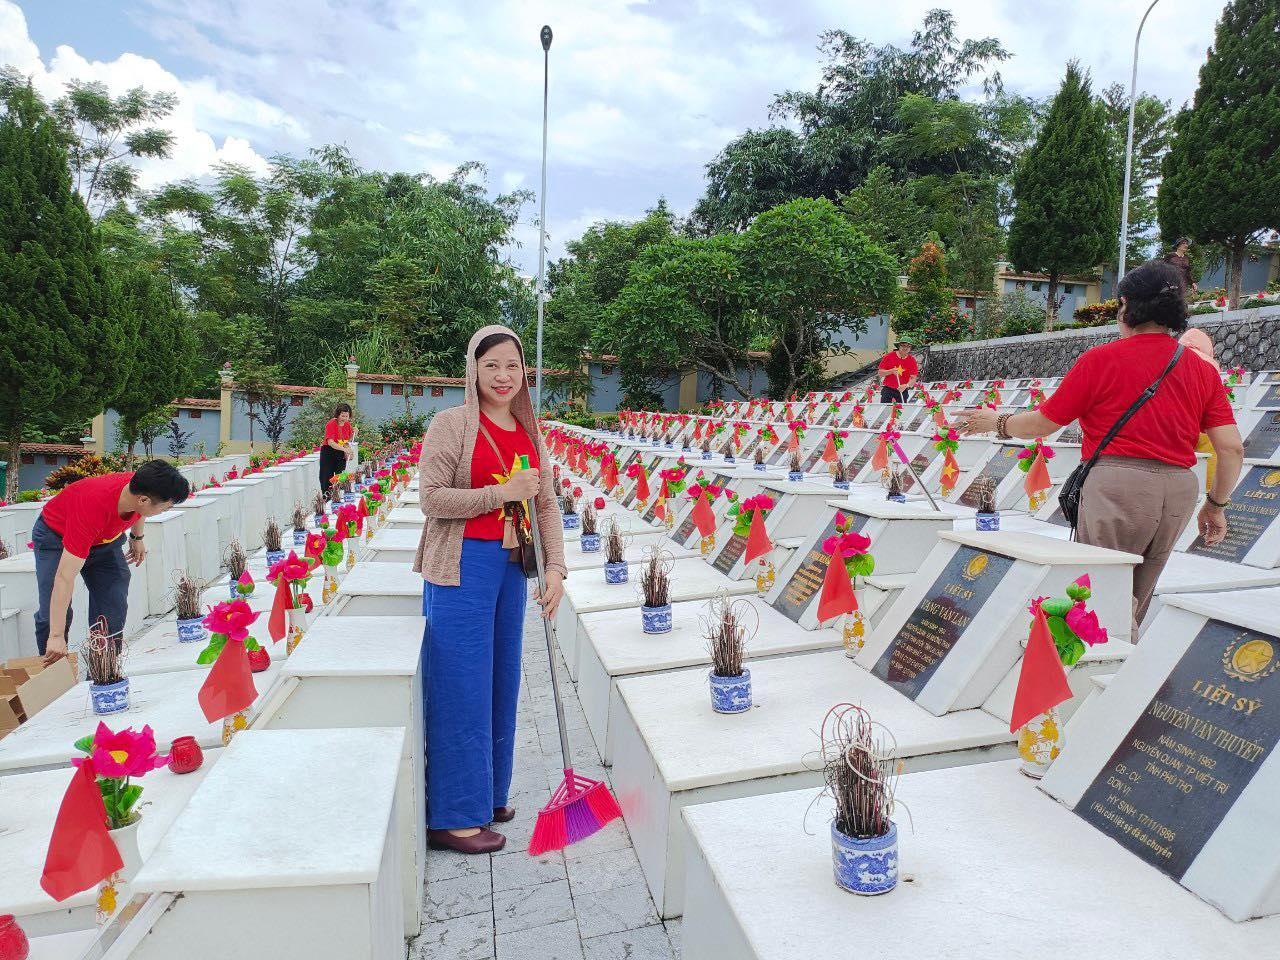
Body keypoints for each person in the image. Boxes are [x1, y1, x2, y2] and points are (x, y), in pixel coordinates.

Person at [955, 260, 1244, 628]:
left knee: (1101, 594)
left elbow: (1045, 422)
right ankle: (1122, 663)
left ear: (1126, 305)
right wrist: (1216, 505)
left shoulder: (1101, 360)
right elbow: (1231, 448)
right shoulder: (1202, 369)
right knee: (1138, 593)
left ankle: (1101, 671)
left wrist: (997, 422)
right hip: (1179, 489)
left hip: (1117, 488)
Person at [414, 324, 566, 855]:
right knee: (463, 686)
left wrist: (556, 570)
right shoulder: (451, 424)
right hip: (460, 568)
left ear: (525, 373)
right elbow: (432, 499)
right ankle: (454, 816)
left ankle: (490, 795)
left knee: (503, 681)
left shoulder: (529, 431)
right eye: (491, 366)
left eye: (512, 366)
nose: (503, 376)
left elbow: (544, 504)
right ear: (473, 371)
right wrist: (499, 493)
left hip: (509, 566)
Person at [35, 460, 191, 662]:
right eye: (164, 508)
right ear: (143, 500)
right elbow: (64, 577)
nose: (164, 512)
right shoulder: (92, 508)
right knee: (52, 615)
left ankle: (103, 673)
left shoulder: (140, 485)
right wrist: (55, 636)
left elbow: (140, 511)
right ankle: (53, 676)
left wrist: (137, 537)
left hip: (104, 539)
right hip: (56, 536)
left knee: (113, 599)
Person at [1179, 328, 1223, 493]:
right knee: (1208, 467)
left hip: (1176, 427)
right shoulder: (1209, 364)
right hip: (1203, 427)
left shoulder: (1171, 359)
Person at [318, 402, 356, 496]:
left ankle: (339, 496)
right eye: (342, 416)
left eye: (347, 416)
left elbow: (347, 440)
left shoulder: (347, 425)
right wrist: (345, 450)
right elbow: (330, 442)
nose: (345, 418)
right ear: (338, 414)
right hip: (328, 452)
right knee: (327, 477)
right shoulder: (331, 423)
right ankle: (327, 498)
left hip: (340, 452)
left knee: (341, 475)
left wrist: (354, 434)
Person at [878, 337, 919, 403]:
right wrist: (891, 371)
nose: (905, 348)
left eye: (908, 346)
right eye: (903, 345)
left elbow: (913, 378)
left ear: (910, 348)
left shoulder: (912, 360)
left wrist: (906, 385)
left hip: (902, 390)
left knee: (901, 412)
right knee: (885, 411)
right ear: (899, 346)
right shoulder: (889, 356)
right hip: (888, 390)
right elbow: (880, 373)